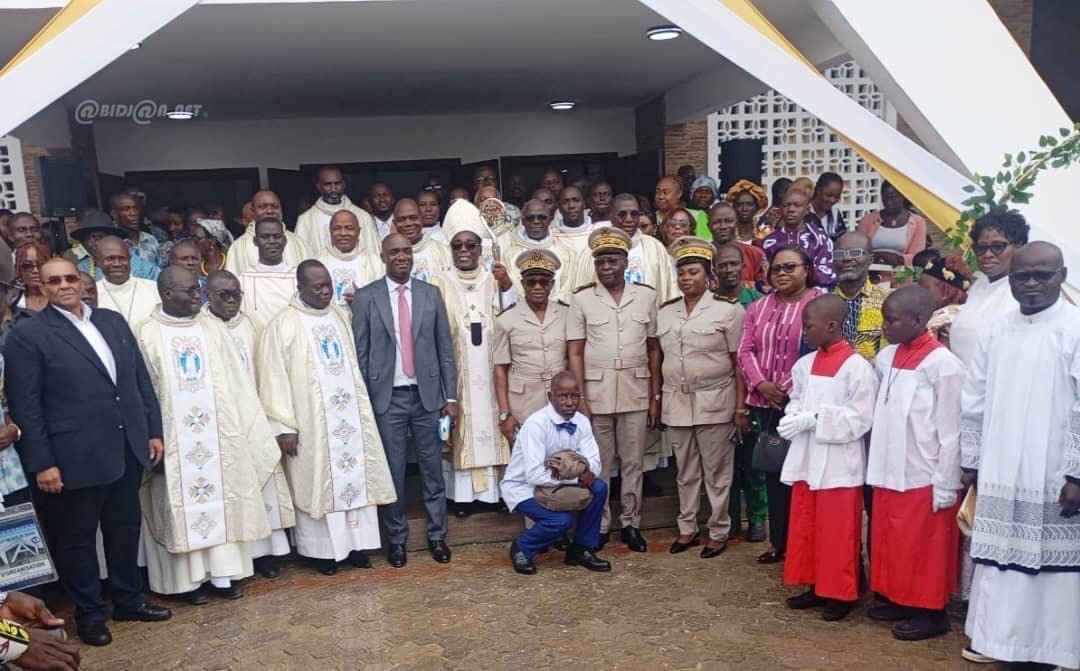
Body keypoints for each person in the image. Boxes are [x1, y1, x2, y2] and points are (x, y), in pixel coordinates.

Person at [5, 258, 171, 646]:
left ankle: (129, 600)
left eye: (70, 277)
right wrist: (43, 462)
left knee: (125, 529)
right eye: (53, 280)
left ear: (82, 280)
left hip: (125, 447)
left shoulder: (111, 321)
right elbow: (26, 405)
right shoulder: (29, 335)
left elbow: (137, 381)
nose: (64, 285)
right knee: (78, 540)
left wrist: (152, 431)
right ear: (42, 288)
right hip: (73, 455)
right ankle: (91, 615)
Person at [961, 241, 1080, 670]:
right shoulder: (997, 329)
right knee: (1002, 563)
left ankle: (1056, 651)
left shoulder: (1075, 328)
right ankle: (1003, 644)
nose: (1031, 284)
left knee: (1055, 571)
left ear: (1061, 277)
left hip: (1054, 471)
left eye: (1041, 275)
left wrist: (1077, 474)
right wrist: (971, 460)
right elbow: (974, 397)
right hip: (1001, 466)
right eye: (1022, 276)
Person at [135, 267, 280, 603]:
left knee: (225, 500)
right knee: (180, 505)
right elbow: (142, 394)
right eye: (189, 291)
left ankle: (224, 576)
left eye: (197, 289)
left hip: (220, 439)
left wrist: (245, 431)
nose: (197, 295)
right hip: (173, 443)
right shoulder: (146, 334)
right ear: (167, 294)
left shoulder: (212, 329)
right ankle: (189, 583)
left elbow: (238, 386)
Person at [256, 261, 395, 575]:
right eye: (317, 287)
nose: (324, 291)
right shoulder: (283, 325)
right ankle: (322, 553)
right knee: (318, 482)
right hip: (311, 425)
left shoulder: (339, 316)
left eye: (328, 285)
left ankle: (356, 546)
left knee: (356, 480)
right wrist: (283, 427)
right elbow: (273, 378)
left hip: (348, 419)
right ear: (300, 287)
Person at [864, 286, 964, 640]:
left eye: (892, 320)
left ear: (920, 320)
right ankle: (900, 597)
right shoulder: (887, 357)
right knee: (893, 538)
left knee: (925, 545)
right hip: (889, 463)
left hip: (925, 469)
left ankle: (931, 611)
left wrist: (946, 481)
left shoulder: (944, 365)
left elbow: (951, 430)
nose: (885, 326)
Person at [352, 234, 457, 567]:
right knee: (394, 472)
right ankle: (396, 540)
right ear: (383, 256)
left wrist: (450, 395)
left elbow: (445, 350)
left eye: (406, 251)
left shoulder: (430, 294)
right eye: (394, 252)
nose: (401, 257)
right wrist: (366, 399)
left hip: (427, 398)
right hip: (388, 400)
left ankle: (437, 536)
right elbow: (361, 353)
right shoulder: (367, 297)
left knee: (432, 471)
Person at [778, 294, 877, 621]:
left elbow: (861, 417)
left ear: (832, 326)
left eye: (809, 326)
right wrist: (793, 415)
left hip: (839, 462)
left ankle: (841, 593)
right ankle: (817, 585)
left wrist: (816, 419)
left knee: (837, 531)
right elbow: (797, 397)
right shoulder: (804, 365)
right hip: (808, 456)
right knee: (809, 525)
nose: (803, 332)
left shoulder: (857, 368)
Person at [567, 227, 660, 552]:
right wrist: (580, 398)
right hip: (597, 393)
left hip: (636, 390)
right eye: (601, 261)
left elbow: (653, 350)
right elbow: (575, 352)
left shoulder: (646, 296)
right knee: (600, 464)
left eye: (613, 260)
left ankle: (631, 523)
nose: (607, 267)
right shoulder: (581, 299)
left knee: (634, 461)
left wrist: (655, 396)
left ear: (625, 262)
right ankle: (602, 524)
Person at [200, 270, 295, 579]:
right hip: (223, 420)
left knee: (263, 481)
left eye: (236, 294)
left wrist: (274, 419)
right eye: (223, 295)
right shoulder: (202, 328)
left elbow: (269, 370)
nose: (231, 301)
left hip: (256, 413)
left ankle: (267, 553)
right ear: (207, 296)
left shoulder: (252, 324)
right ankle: (241, 556)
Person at [658, 237, 744, 558]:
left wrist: (740, 407)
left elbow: (739, 364)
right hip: (677, 402)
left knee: (718, 473)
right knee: (686, 472)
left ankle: (719, 530)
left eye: (693, 272)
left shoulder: (729, 311)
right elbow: (659, 358)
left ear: (708, 277)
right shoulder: (666, 313)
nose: (686, 278)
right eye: (681, 273)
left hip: (716, 401)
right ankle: (687, 529)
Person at [738, 246, 823, 564]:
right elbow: (745, 350)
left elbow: (817, 352)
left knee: (803, 475)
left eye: (790, 267)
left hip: (804, 404)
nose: (782, 274)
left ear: (807, 270)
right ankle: (780, 542)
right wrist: (762, 384)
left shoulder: (818, 305)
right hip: (766, 402)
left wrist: (787, 388)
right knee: (775, 473)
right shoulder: (758, 308)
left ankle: (806, 545)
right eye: (776, 269)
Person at [430, 202, 515, 510]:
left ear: (481, 248)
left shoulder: (496, 278)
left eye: (471, 244)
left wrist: (507, 286)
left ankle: (496, 495)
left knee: (494, 424)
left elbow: (511, 315)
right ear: (450, 248)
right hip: (458, 372)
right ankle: (462, 497)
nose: (464, 250)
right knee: (462, 424)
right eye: (458, 245)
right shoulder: (438, 282)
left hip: (494, 372)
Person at [502, 372, 611, 575]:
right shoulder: (536, 424)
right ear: (550, 396)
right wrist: (577, 476)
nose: (569, 402)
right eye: (562, 396)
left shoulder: (582, 422)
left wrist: (580, 474)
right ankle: (522, 547)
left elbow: (594, 464)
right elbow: (534, 475)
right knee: (561, 521)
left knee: (599, 487)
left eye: (574, 396)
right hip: (525, 487)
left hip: (559, 484)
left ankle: (580, 549)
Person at [712, 243, 766, 541]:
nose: (729, 270)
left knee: (753, 459)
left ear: (743, 266)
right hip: (719, 391)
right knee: (724, 463)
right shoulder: (708, 303)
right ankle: (728, 518)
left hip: (752, 392)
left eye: (734, 264)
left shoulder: (758, 302)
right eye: (722, 265)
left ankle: (757, 517)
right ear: (714, 269)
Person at [494, 250, 568, 440]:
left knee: (561, 454)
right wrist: (505, 414)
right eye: (530, 282)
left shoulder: (566, 314)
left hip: (560, 398)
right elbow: (500, 369)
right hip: (523, 401)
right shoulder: (506, 319)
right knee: (528, 459)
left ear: (551, 284)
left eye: (543, 282)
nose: (537, 287)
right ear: (522, 284)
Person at [948, 209, 1028, 366]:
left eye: (998, 246)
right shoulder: (980, 285)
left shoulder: (1023, 290)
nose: (988, 254)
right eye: (981, 247)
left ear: (1019, 247)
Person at [564, 193, 674, 306]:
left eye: (634, 214)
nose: (629, 219)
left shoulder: (654, 247)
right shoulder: (592, 249)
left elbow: (671, 290)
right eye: (622, 214)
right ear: (611, 216)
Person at [295, 166, 380, 257]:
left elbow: (373, 254)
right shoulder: (306, 220)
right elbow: (300, 255)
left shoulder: (363, 216)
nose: (333, 189)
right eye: (327, 184)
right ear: (319, 186)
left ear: (344, 184)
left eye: (337, 184)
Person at [762, 187, 836, 287]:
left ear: (807, 210)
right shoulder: (770, 241)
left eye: (797, 205)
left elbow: (827, 273)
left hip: (815, 294)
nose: (791, 210)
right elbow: (765, 275)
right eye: (786, 206)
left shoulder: (819, 238)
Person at [831, 232, 888, 361]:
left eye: (855, 253)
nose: (846, 259)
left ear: (870, 259)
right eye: (839, 254)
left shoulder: (887, 301)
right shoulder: (824, 303)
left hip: (873, 377)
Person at [224, 191, 309, 276]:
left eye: (275, 207)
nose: (269, 211)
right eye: (262, 207)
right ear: (253, 211)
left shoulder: (298, 242)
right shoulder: (238, 247)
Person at [498, 200, 572, 297]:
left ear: (550, 219)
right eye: (530, 218)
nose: (536, 221)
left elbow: (567, 289)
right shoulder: (509, 256)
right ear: (523, 221)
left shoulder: (565, 253)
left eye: (542, 217)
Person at [238, 218, 296, 332]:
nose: (271, 241)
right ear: (255, 241)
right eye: (265, 237)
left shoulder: (298, 278)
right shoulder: (243, 281)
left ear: (285, 240)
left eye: (277, 236)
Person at [316, 210, 382, 309]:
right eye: (337, 228)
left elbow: (384, 300)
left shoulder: (375, 262)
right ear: (330, 232)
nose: (343, 233)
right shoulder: (318, 262)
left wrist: (362, 300)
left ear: (359, 231)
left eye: (349, 228)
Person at [70, 213, 160, 281]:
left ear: (113, 239)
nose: (91, 243)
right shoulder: (81, 269)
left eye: (97, 237)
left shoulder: (141, 268)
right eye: (86, 239)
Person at [856, 181, 927, 266]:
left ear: (903, 196)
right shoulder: (868, 220)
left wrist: (898, 259)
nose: (888, 202)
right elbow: (858, 250)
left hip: (901, 276)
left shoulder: (917, 222)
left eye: (893, 198)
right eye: (885, 198)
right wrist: (877, 256)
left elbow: (918, 257)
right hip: (870, 274)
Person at [94, 237, 160, 327]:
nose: (117, 264)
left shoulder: (154, 289)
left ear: (130, 259)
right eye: (110, 259)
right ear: (98, 261)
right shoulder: (93, 293)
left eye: (122, 258)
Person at [393, 198, 451, 283]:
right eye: (402, 219)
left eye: (413, 218)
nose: (408, 223)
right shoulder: (388, 254)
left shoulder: (443, 252)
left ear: (421, 219)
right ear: (395, 223)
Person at [918, 254, 972, 345]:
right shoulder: (968, 312)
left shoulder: (944, 319)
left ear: (946, 292)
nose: (919, 293)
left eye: (926, 288)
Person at [708, 202, 763, 286]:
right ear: (709, 226)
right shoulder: (701, 254)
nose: (723, 226)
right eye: (717, 222)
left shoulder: (754, 254)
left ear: (736, 223)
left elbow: (765, 287)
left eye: (728, 221)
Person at [109, 193, 161, 268]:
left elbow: (160, 269)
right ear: (114, 214)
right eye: (126, 209)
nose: (133, 213)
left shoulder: (150, 239)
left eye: (136, 208)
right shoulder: (111, 243)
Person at [726, 179, 772, 246]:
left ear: (757, 207)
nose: (745, 209)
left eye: (750, 204)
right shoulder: (727, 235)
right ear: (733, 207)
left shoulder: (766, 234)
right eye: (740, 204)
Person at [551, 186, 594, 257]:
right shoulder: (551, 237)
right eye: (565, 202)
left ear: (584, 204)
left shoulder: (596, 233)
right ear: (559, 207)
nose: (571, 206)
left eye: (576, 200)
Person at [810, 172, 847, 241]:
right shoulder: (804, 211)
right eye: (828, 195)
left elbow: (842, 239)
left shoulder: (835, 213)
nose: (832, 200)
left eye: (837, 197)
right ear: (818, 190)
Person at [14, 241, 48, 313]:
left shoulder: (62, 297)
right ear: (19, 269)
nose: (35, 270)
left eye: (40, 264)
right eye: (27, 266)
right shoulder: (13, 303)